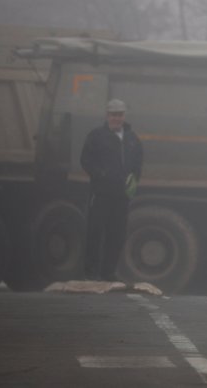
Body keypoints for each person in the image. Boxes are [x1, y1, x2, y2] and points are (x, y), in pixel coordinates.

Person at [80, 99, 143, 282]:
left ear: (124, 116)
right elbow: (86, 160)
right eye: (113, 115)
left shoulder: (132, 139)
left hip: (122, 197)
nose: (117, 118)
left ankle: (108, 273)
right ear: (107, 116)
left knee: (116, 234)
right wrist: (101, 174)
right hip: (101, 194)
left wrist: (134, 180)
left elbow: (138, 162)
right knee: (95, 232)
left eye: (120, 115)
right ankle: (91, 273)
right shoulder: (96, 136)